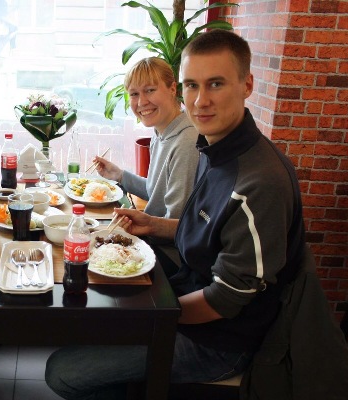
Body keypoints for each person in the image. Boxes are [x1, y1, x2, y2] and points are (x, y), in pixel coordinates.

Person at [46, 29, 306, 399]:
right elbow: (198, 227)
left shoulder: (258, 182)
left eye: (216, 84)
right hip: (185, 291)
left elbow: (226, 298)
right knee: (86, 317)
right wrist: (151, 223)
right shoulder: (214, 150)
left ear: (247, 85)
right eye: (192, 85)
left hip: (221, 341)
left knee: (63, 372)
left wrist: (151, 318)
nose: (200, 100)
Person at [92, 57, 198, 221]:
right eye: (134, 94)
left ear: (172, 89)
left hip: (164, 238)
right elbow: (155, 193)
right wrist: (119, 175)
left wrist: (142, 224)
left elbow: (178, 223)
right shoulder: (160, 132)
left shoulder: (187, 141)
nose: (141, 102)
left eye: (150, 90)